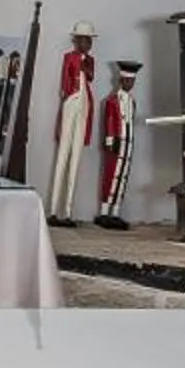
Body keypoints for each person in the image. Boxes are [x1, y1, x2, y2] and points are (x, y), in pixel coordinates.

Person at [45, 21, 97, 223]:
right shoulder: (69, 57)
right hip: (71, 102)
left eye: (89, 40)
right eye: (83, 39)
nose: (87, 43)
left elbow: (91, 76)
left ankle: (67, 212)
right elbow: (65, 80)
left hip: (85, 104)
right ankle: (52, 210)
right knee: (63, 154)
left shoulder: (90, 60)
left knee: (76, 156)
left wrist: (85, 65)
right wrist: (67, 96)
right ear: (76, 40)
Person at [95, 59, 142, 229]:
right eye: (128, 80)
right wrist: (109, 140)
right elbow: (109, 121)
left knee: (122, 176)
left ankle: (115, 212)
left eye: (133, 81)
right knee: (111, 176)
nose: (130, 84)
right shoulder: (112, 101)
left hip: (127, 142)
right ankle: (104, 211)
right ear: (121, 81)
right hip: (115, 142)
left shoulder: (132, 101)